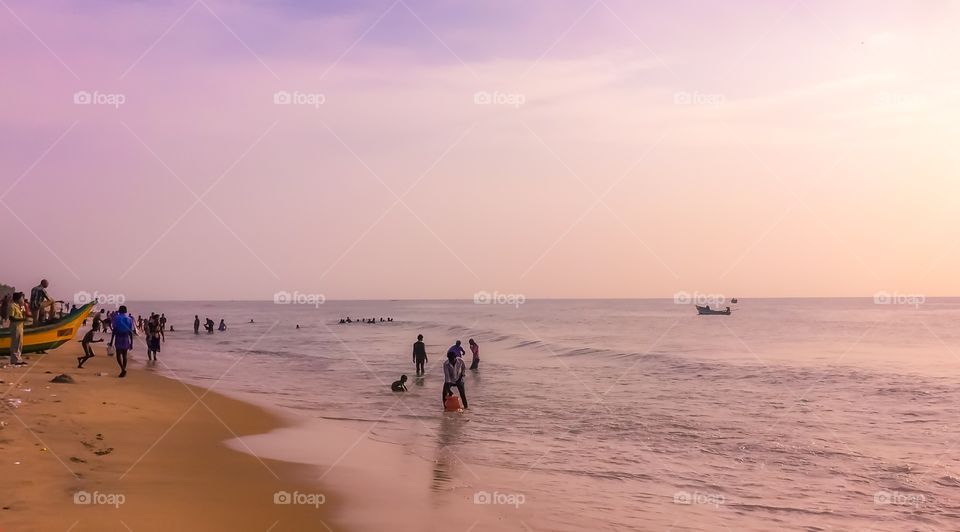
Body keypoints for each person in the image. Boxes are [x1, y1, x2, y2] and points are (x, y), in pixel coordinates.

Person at [108, 305, 135, 378]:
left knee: (118, 355)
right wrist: (131, 343)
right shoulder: (129, 319)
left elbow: (114, 330)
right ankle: (123, 369)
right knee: (125, 355)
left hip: (118, 337)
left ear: (119, 310)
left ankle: (122, 369)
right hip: (126, 337)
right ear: (126, 311)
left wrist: (111, 341)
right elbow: (130, 332)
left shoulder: (116, 318)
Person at [7, 292, 27, 366]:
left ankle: (18, 358)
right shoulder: (12, 306)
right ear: (18, 299)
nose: (23, 300)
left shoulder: (19, 307)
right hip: (15, 327)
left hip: (20, 327)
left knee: (19, 343)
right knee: (15, 343)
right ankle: (14, 359)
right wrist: (22, 319)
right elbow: (11, 317)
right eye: (22, 298)